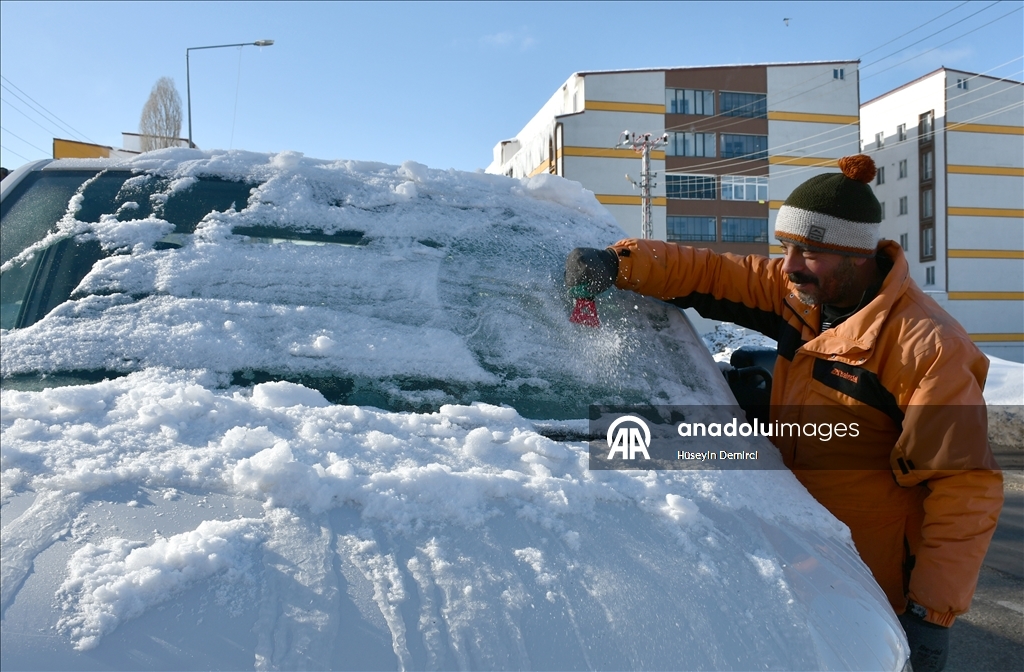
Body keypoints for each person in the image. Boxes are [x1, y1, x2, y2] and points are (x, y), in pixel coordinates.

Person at [565, 154, 1003, 672]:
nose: (791, 265)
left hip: (872, 583)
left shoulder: (926, 349)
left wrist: (932, 615)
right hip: (791, 557)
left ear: (857, 256)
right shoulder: (802, 295)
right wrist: (620, 263)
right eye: (787, 247)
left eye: (810, 252)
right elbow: (711, 272)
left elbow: (964, 486)